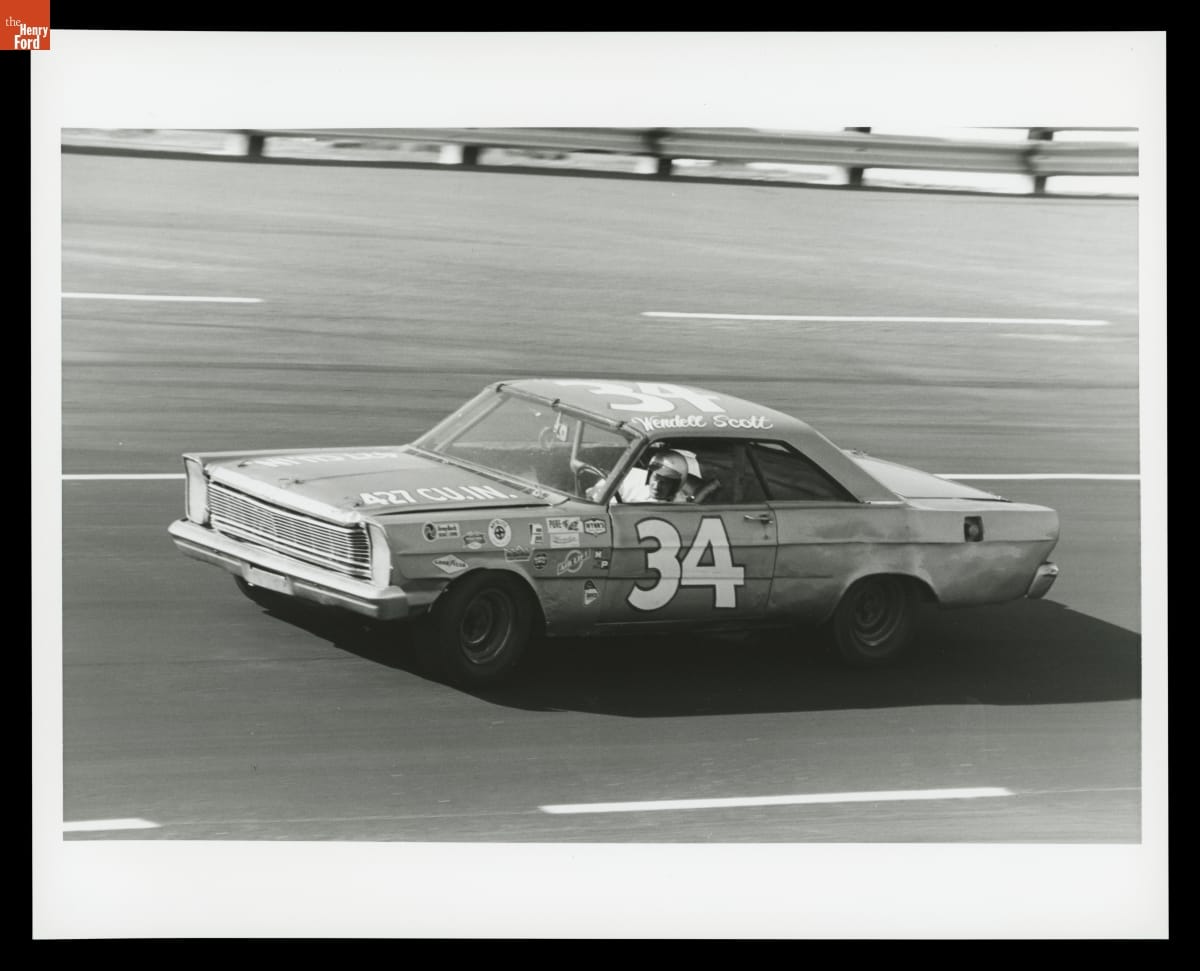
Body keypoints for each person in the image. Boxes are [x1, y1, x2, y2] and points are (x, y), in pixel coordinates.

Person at [616, 449, 697, 503]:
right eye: (655, 477)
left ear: (675, 486)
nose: (656, 486)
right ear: (649, 474)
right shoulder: (630, 478)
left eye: (664, 482)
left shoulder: (679, 506)